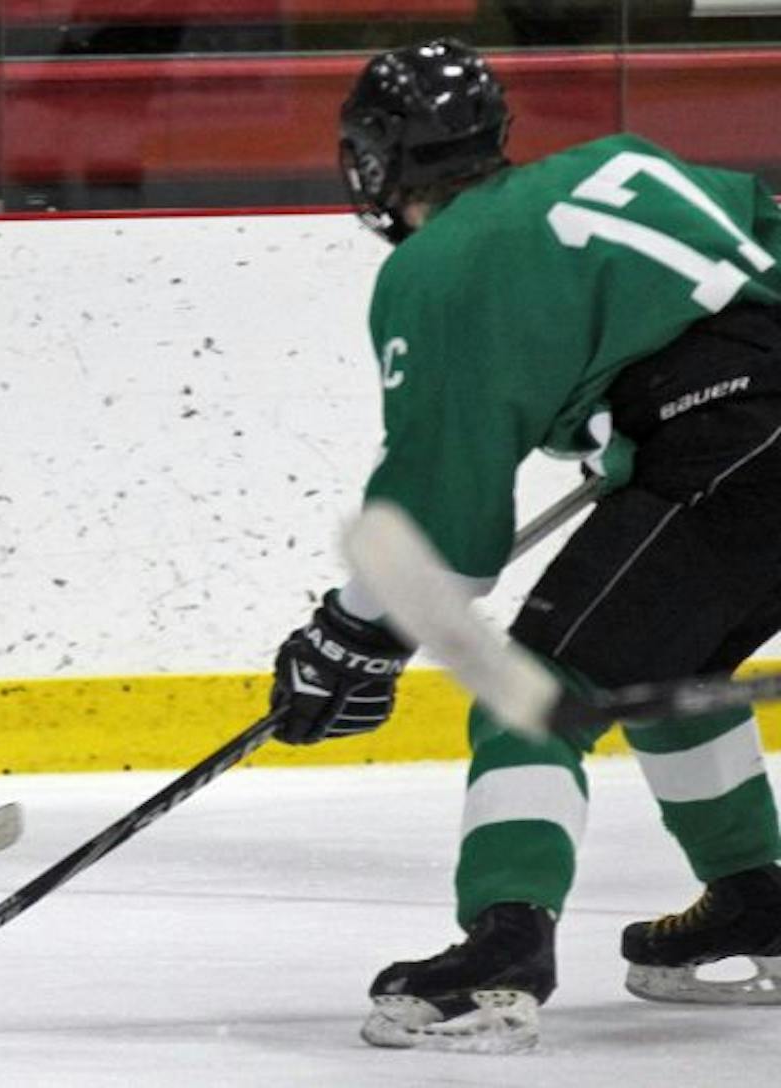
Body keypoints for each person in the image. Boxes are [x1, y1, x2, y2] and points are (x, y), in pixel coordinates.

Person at [267, 39, 781, 1052]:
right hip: (739, 434)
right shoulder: (619, 160)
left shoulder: (441, 264)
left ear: (375, 162)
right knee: (663, 668)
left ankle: (502, 950)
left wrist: (353, 631)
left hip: (733, 439)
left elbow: (442, 516)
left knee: (535, 691)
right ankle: (755, 897)